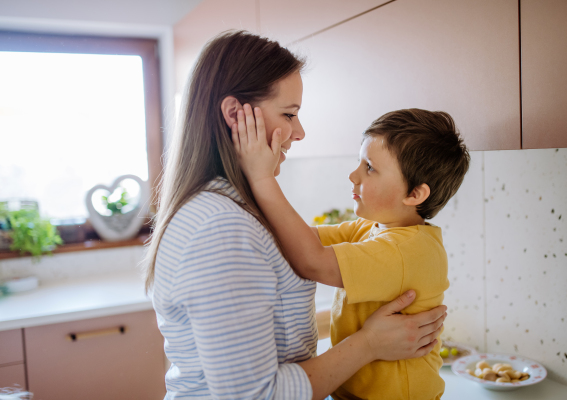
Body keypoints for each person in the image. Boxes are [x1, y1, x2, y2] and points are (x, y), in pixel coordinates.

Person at [143, 30, 447, 400]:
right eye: (289, 114)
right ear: (235, 115)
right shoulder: (220, 228)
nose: (299, 132)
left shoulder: (233, 213)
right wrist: (368, 345)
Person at [233, 107, 470, 400]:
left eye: (369, 167)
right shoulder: (372, 228)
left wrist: (261, 179)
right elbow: (300, 240)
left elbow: (312, 261)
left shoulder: (405, 250)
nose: (353, 174)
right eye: (359, 161)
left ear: (415, 195)